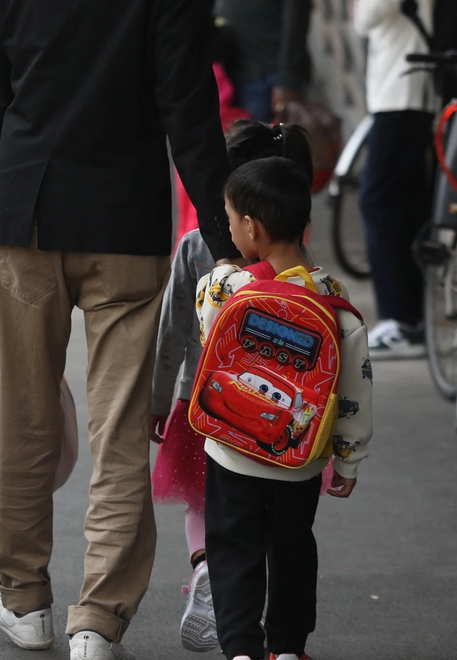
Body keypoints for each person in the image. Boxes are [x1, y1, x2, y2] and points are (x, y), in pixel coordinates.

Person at [0, 0, 238, 658]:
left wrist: (6, 194)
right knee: (121, 424)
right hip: (126, 222)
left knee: (26, 416)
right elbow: (189, 109)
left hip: (28, 211)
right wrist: (233, 239)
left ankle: (26, 601)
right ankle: (99, 619)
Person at [193, 157, 371, 660]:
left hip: (232, 454)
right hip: (300, 459)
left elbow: (207, 318)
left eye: (230, 221)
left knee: (233, 549)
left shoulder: (227, 288)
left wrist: (226, 269)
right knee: (293, 549)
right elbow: (355, 383)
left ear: (251, 227)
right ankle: (288, 648)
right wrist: (349, 457)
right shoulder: (332, 297)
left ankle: (242, 649)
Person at [150, 120, 313, 652]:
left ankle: (208, 577)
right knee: (283, 531)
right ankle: (283, 640)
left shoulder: (204, 255)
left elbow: (175, 327)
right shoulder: (311, 272)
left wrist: (156, 400)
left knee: (213, 512)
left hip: (212, 413)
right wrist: (348, 452)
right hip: (291, 428)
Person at [330, 0, 439, 359]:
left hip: (406, 100)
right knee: (402, 206)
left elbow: (367, 16)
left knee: (378, 202)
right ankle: (410, 320)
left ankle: (402, 320)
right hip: (395, 101)